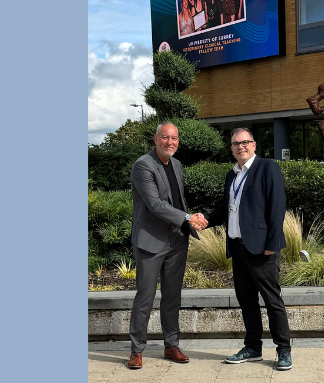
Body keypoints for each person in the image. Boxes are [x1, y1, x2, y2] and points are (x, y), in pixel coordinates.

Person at [202, 128, 292, 372]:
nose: (240, 147)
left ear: (253, 145)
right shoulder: (232, 175)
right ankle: (253, 347)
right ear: (231, 149)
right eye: (235, 144)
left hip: (262, 249)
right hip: (238, 247)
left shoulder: (267, 167)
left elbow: (277, 208)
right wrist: (206, 219)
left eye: (245, 142)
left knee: (273, 301)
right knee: (247, 301)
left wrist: (272, 245)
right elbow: (225, 209)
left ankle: (283, 350)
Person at [125, 123, 209, 370]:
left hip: (177, 240)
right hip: (151, 241)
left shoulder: (176, 164)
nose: (170, 142)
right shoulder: (143, 165)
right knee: (145, 297)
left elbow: (176, 200)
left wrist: (189, 216)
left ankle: (171, 345)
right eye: (165, 137)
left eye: (174, 138)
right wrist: (186, 218)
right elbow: (155, 204)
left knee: (172, 296)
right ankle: (136, 350)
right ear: (156, 139)